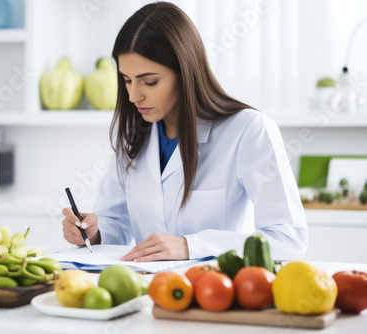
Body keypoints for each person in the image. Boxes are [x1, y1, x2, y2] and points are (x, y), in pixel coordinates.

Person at [61, 2, 308, 262]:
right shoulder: (133, 135)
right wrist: (95, 231)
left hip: (218, 291)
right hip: (150, 290)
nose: (134, 95)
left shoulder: (248, 131)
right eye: (127, 80)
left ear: (186, 72)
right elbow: (117, 224)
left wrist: (193, 246)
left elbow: (288, 239)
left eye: (150, 81)